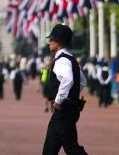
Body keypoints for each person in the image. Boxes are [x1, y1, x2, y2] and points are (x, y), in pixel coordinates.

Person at [42, 23, 88, 155]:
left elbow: (68, 80)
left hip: (63, 111)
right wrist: (72, 95)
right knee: (49, 150)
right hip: (66, 110)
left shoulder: (62, 60)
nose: (49, 42)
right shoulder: (71, 58)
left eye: (52, 39)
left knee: (72, 148)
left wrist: (59, 100)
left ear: (59, 43)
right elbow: (82, 81)